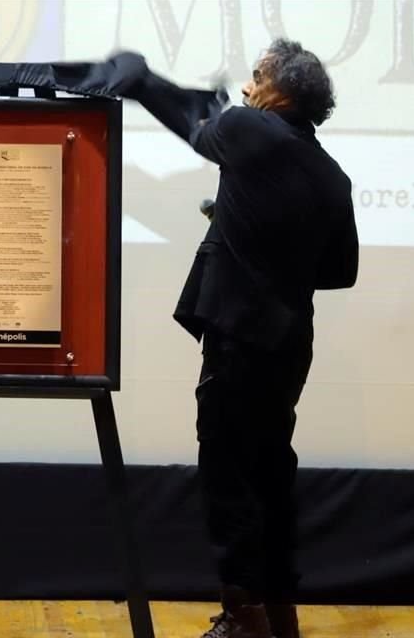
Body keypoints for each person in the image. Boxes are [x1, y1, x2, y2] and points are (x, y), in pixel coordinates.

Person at [130, 39, 359, 638]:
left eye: (256, 77)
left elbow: (197, 129)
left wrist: (141, 79)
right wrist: (246, 230)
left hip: (239, 339)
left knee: (228, 475)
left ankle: (242, 616)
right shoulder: (333, 175)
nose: (248, 87)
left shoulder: (248, 130)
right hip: (289, 344)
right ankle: (280, 611)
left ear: (279, 90)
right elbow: (339, 273)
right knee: (272, 473)